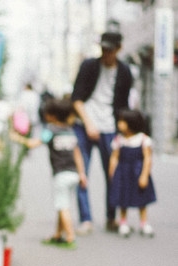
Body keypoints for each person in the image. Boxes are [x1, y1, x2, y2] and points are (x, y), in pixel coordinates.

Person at [71, 31, 133, 235]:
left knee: (113, 174)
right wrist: (89, 124)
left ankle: (111, 218)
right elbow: (77, 99)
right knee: (82, 174)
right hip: (84, 125)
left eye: (110, 50)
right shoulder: (89, 66)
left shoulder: (125, 72)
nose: (106, 53)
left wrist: (126, 132)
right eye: (103, 49)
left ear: (118, 49)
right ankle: (86, 219)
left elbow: (123, 106)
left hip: (110, 128)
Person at [11, 98, 87, 248]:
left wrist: (17, 138)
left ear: (52, 115)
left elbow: (33, 143)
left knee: (62, 205)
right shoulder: (70, 131)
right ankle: (58, 234)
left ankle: (70, 236)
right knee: (63, 203)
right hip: (74, 174)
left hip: (61, 174)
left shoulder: (50, 131)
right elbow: (77, 154)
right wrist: (82, 173)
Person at [108, 109, 156, 237]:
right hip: (123, 173)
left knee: (142, 199)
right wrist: (112, 172)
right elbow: (114, 156)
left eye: (122, 121)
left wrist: (145, 175)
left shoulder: (143, 140)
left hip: (138, 172)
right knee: (123, 198)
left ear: (132, 123)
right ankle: (123, 222)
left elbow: (147, 158)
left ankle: (144, 223)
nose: (119, 123)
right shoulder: (119, 140)